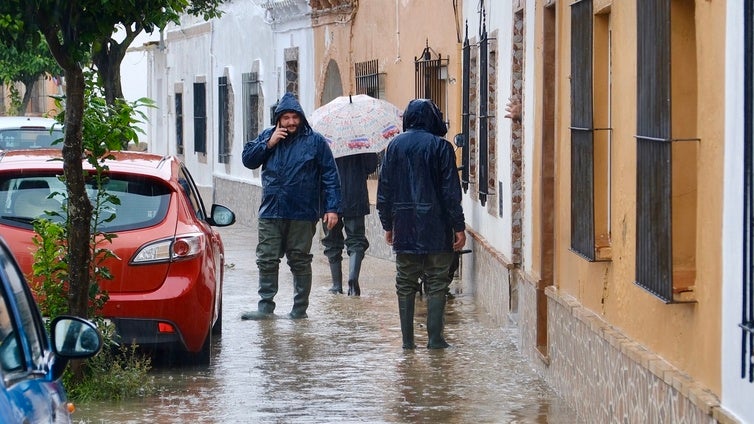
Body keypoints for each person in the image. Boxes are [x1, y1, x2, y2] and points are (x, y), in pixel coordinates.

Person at [241, 92, 342, 320]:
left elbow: (330, 176)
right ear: (278, 119)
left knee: (299, 259)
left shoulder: (315, 141)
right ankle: (265, 307)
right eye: (285, 117)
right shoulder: (268, 136)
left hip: (302, 213)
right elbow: (248, 160)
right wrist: (269, 144)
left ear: (301, 117)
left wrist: (332, 207)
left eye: (294, 117)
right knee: (266, 258)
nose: (290, 122)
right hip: (271, 211)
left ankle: (299, 309)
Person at [376, 98, 466, 349]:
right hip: (437, 227)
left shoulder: (393, 147)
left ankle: (407, 342)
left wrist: (387, 225)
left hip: (404, 226)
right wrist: (458, 226)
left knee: (405, 282)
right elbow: (451, 193)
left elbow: (384, 192)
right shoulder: (442, 147)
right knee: (437, 281)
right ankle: (435, 339)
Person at [322, 152, 378, 296]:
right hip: (356, 195)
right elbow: (371, 166)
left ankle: (336, 285)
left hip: (329, 196)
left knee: (332, 241)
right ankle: (353, 280)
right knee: (356, 240)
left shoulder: (325, 139)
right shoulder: (362, 138)